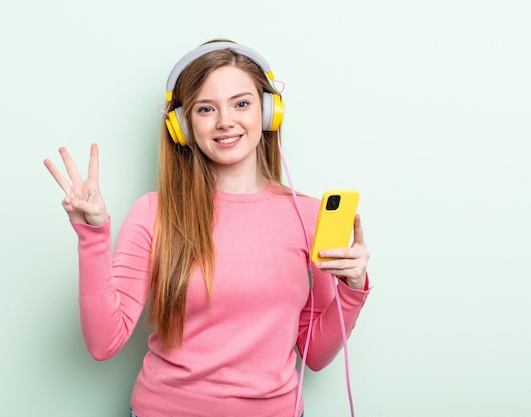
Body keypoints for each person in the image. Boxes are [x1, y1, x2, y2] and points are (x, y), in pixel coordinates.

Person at [44, 40, 371, 417]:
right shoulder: (155, 212)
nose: (225, 121)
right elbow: (104, 343)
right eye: (205, 109)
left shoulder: (308, 215)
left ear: (269, 112)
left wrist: (352, 289)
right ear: (182, 125)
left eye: (241, 103)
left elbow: (314, 354)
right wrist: (92, 237)